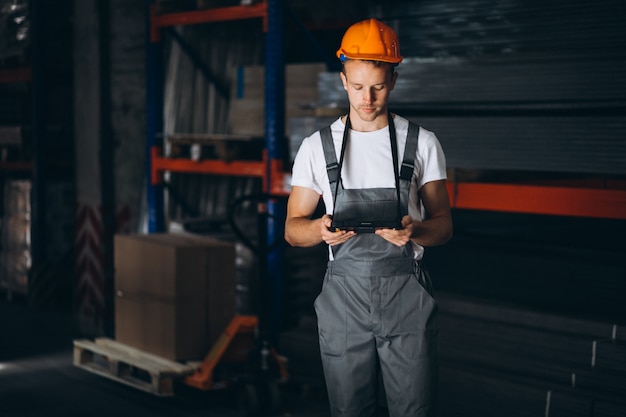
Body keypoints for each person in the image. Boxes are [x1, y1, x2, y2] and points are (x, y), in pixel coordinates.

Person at [284, 18, 452, 417]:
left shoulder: (421, 142)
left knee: (415, 409)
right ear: (343, 80)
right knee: (349, 410)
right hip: (344, 299)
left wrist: (416, 230)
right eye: (357, 87)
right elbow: (293, 229)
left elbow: (443, 224)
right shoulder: (316, 147)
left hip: (405, 296)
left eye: (377, 87)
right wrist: (319, 229)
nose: (367, 98)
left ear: (393, 80)